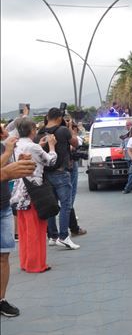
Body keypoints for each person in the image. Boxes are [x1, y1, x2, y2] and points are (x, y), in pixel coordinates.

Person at [10, 119, 58, 273]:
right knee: (36, 230)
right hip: (34, 194)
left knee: (24, 232)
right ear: (31, 130)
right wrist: (51, 146)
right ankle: (36, 264)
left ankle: (26, 262)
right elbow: (50, 161)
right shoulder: (33, 146)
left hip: (19, 193)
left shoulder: (16, 146)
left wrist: (41, 147)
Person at [1, 135, 35, 317]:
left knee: (3, 257)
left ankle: (1, 300)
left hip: (3, 208)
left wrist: (18, 165)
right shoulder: (5, 148)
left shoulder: (2, 146)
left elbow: (5, 170)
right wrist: (6, 170)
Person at [37, 107, 80, 250]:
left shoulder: (40, 132)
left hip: (46, 174)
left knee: (52, 205)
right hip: (61, 172)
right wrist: (69, 128)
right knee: (66, 205)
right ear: (60, 118)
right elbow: (76, 143)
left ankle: (52, 236)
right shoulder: (63, 130)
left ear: (47, 117)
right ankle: (64, 236)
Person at [68, 122, 87, 236]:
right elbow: (75, 144)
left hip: (59, 169)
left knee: (66, 201)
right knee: (68, 200)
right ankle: (70, 230)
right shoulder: (66, 134)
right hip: (67, 167)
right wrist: (71, 131)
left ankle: (53, 234)